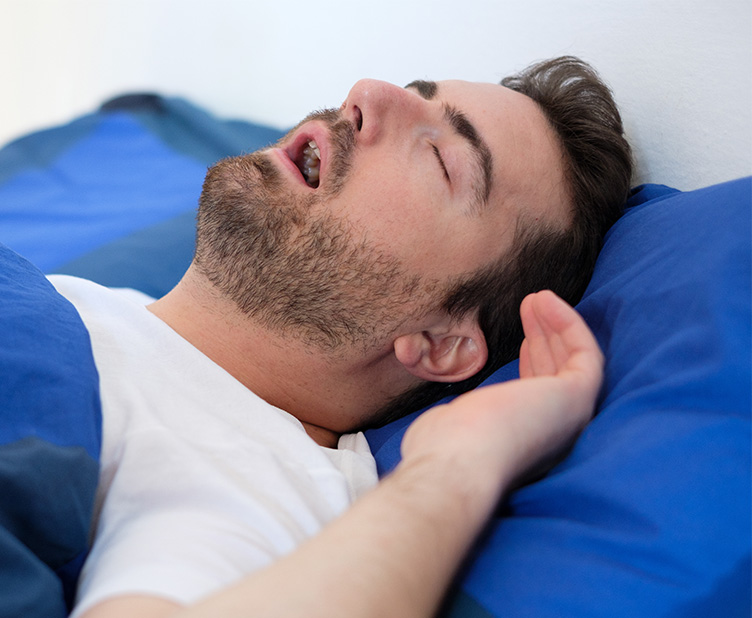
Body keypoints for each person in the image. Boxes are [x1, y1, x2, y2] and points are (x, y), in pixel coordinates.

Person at [56, 56, 632, 617]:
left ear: (440, 343)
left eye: (439, 156)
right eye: (415, 89)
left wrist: (460, 461)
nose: (367, 91)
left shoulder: (251, 479)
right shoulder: (86, 306)